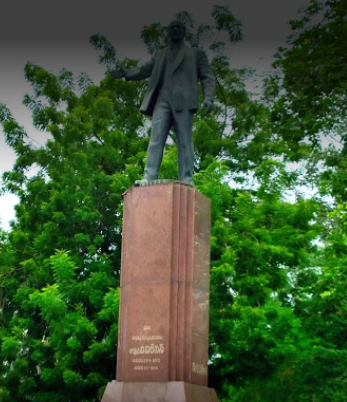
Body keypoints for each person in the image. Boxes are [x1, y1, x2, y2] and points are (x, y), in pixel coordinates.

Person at [111, 20, 215, 186]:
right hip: (162, 101)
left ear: (184, 32)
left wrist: (209, 98)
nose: (175, 30)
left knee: (185, 141)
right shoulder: (160, 55)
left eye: (179, 28)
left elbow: (207, 77)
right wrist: (126, 73)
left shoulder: (196, 54)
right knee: (156, 139)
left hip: (184, 101)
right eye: (172, 28)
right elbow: (144, 70)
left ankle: (186, 178)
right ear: (168, 32)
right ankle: (149, 176)